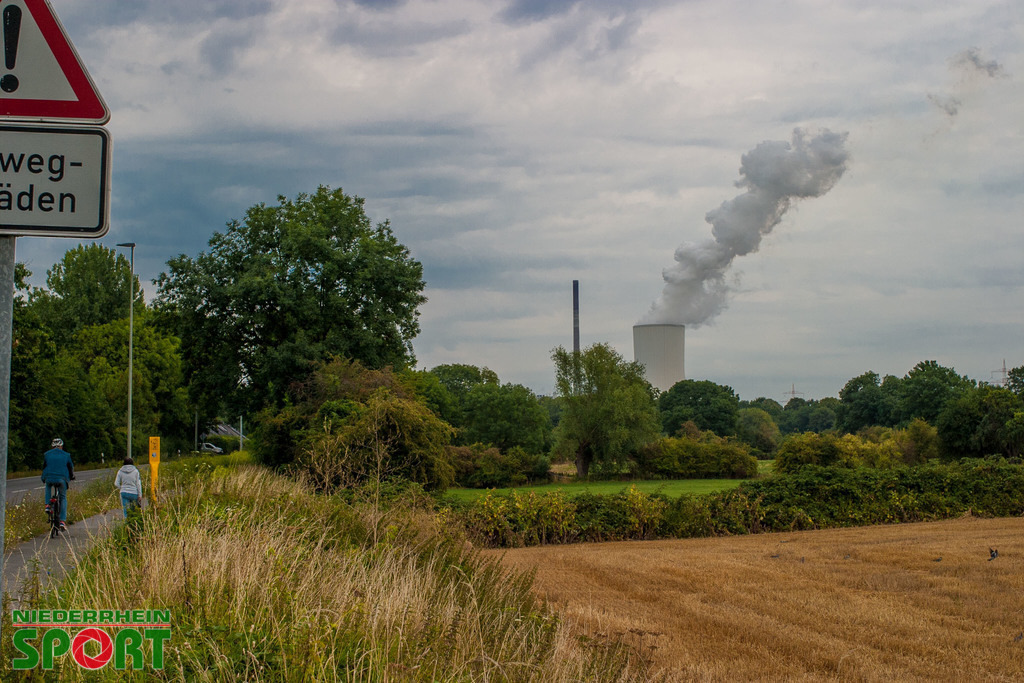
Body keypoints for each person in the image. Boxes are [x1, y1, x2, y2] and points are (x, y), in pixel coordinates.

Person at [41, 438, 75, 530]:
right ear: (61, 446)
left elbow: (44, 467)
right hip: (62, 478)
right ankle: (62, 521)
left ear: (52, 446)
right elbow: (70, 467)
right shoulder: (66, 455)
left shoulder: (47, 454)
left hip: (49, 477)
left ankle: (47, 505)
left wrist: (43, 478)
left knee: (48, 487)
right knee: (63, 497)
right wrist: (71, 477)